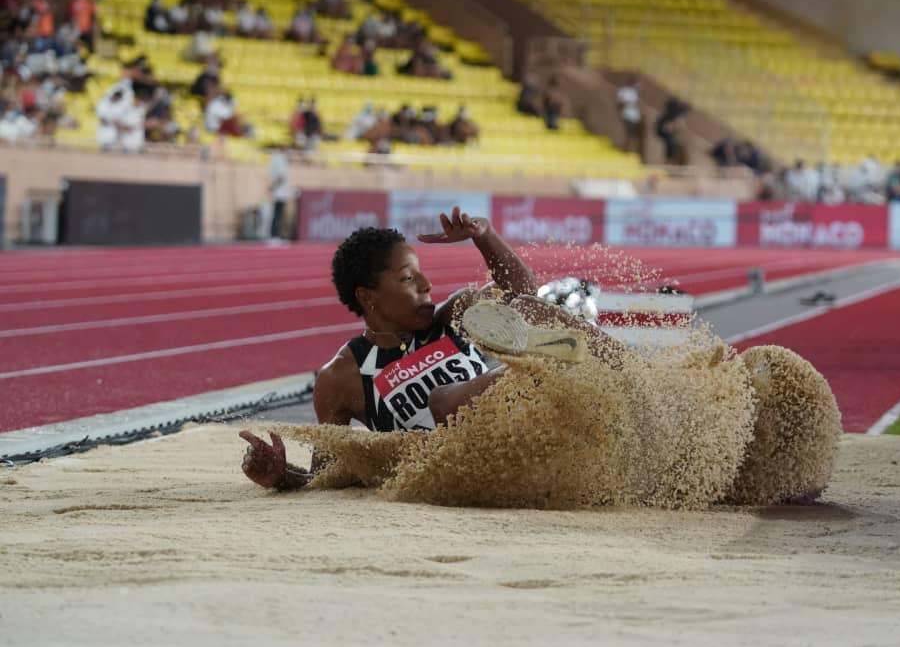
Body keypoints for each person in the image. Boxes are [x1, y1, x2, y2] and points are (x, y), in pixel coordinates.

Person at [237, 209, 624, 491]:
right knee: (440, 401)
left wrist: (483, 236)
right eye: (408, 278)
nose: (426, 283)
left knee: (521, 307)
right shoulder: (341, 377)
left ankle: (629, 373)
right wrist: (281, 477)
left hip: (532, 430)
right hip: (461, 466)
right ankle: (544, 362)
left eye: (421, 272)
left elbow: (520, 292)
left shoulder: (451, 317)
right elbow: (331, 475)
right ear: (368, 298)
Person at [267, 149, 290, 239]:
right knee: (278, 215)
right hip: (280, 192)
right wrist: (273, 187)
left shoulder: (275, 159)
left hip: (278, 192)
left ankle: (275, 235)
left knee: (277, 214)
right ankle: (275, 235)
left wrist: (272, 187)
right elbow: (281, 177)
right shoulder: (280, 159)